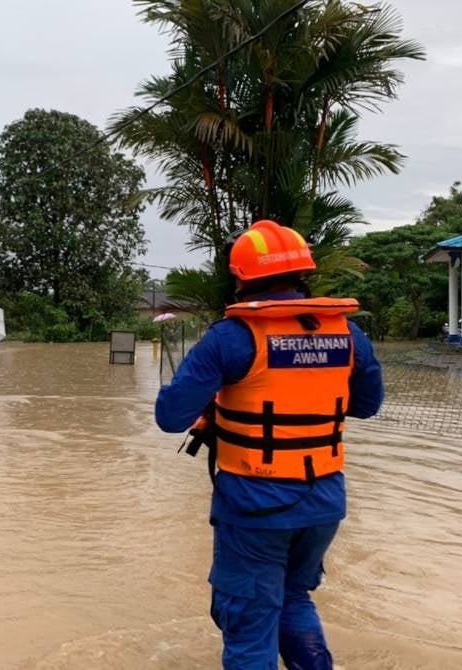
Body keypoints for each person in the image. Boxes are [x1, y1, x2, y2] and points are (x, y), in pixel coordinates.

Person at [155, 220, 384, 670]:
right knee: (293, 597)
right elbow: (366, 406)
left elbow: (169, 418)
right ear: (304, 272)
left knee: (248, 620)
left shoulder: (232, 337)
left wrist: (217, 397)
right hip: (323, 501)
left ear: (240, 277)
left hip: (256, 506)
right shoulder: (350, 335)